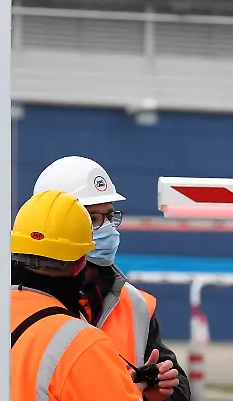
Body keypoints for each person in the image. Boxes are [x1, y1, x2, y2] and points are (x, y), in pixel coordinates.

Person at [33, 158, 188, 401]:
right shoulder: (16, 300)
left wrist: (156, 392)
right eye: (94, 219)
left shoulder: (135, 305)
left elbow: (178, 390)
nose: (109, 230)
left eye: (110, 216)